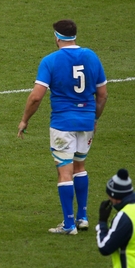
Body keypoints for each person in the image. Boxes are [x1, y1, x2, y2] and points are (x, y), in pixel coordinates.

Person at [18, 19, 108, 235]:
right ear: (74, 35)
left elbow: (36, 97)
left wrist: (24, 119)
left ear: (57, 37)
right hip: (86, 121)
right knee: (80, 167)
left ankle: (69, 224)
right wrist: (94, 118)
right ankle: (83, 217)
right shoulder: (91, 56)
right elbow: (102, 95)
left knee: (64, 171)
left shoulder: (51, 60)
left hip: (62, 123)